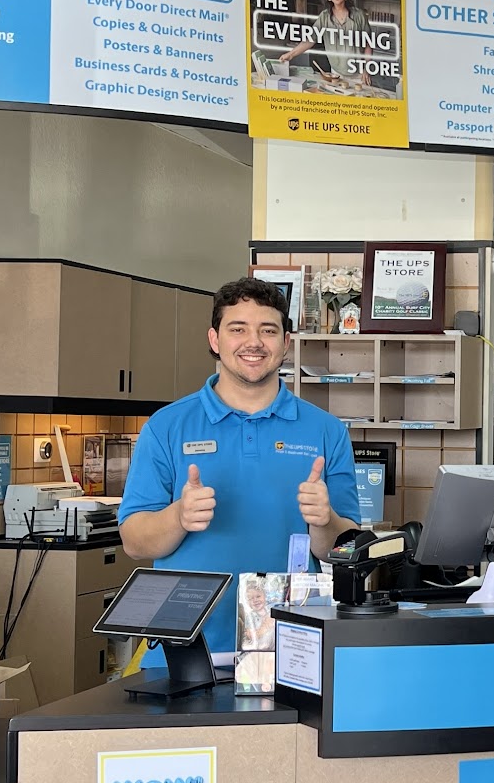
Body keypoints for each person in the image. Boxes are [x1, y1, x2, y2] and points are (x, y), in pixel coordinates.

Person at [119, 278, 359, 660]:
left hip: (289, 649)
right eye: (238, 329)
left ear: (286, 342)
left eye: (268, 330)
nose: (254, 342)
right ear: (214, 340)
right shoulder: (166, 427)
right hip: (184, 654)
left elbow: (344, 550)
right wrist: (179, 517)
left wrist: (325, 520)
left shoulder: (326, 431)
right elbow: (133, 542)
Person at [283, 0, 376, 88]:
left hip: (359, 76)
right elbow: (310, 40)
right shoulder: (325, 17)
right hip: (335, 74)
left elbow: (368, 45)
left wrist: (367, 69)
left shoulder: (359, 15)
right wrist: (290, 54)